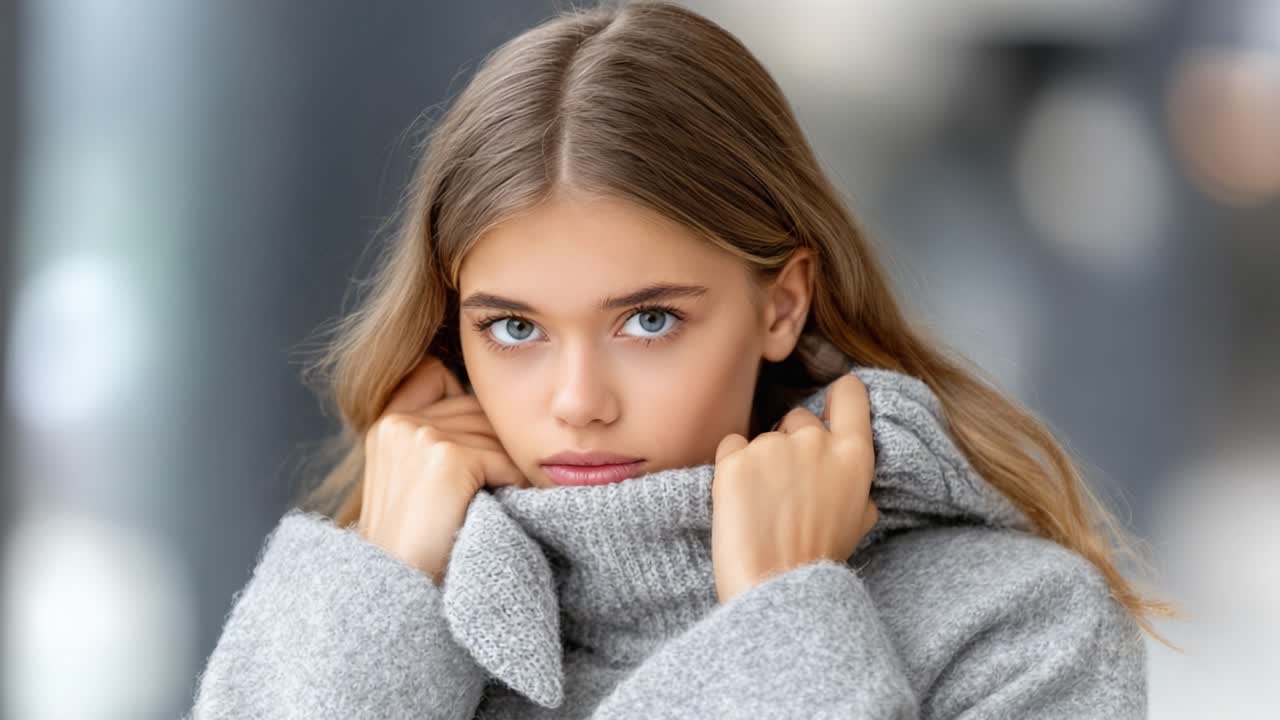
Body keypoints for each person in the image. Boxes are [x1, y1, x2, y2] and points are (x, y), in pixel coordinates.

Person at [187, 1, 1176, 717]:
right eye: (514, 328)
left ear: (781, 304)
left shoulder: (1014, 625)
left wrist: (782, 625)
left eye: (648, 320)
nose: (576, 403)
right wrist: (380, 592)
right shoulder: (373, 612)